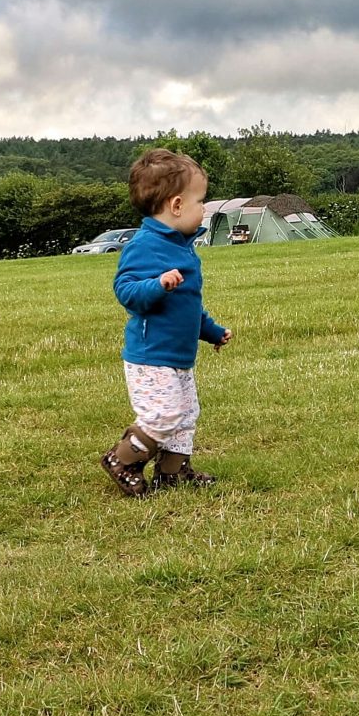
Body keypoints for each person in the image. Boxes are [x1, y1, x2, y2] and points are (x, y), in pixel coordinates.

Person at [103, 148, 232, 496]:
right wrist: (157, 285)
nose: (204, 209)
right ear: (176, 206)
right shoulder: (145, 246)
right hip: (151, 356)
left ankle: (173, 472)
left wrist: (212, 331)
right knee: (163, 415)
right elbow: (126, 291)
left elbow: (188, 306)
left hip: (178, 355)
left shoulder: (183, 248)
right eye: (200, 202)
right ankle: (123, 459)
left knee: (186, 413)